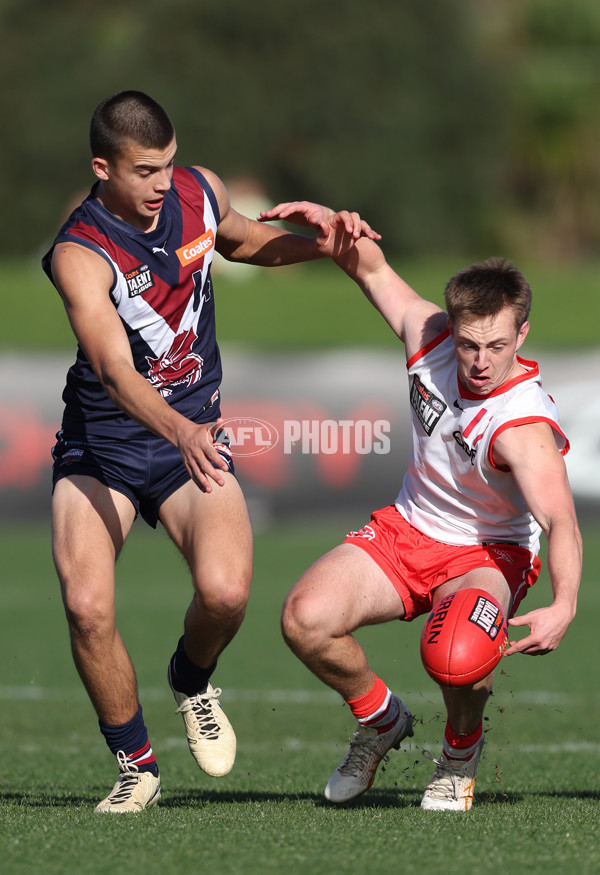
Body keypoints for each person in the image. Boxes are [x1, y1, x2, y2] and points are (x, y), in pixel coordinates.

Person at [41, 92, 378, 813]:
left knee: (225, 595)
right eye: (143, 171)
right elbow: (113, 369)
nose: (162, 182)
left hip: (190, 438)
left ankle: (191, 680)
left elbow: (249, 242)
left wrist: (331, 245)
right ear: (103, 168)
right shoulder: (80, 252)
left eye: (168, 163)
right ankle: (137, 766)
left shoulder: (198, 190)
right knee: (86, 604)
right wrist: (184, 430)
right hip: (104, 446)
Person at [260, 201, 582, 812]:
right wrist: (335, 227)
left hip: (490, 551)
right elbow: (371, 269)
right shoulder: (429, 335)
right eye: (469, 345)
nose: (481, 361)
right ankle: (381, 720)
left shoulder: (524, 424)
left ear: (522, 336)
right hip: (407, 530)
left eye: (496, 345)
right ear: (451, 328)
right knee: (304, 618)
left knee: (455, 654)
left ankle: (460, 751)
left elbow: (560, 520)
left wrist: (563, 603)